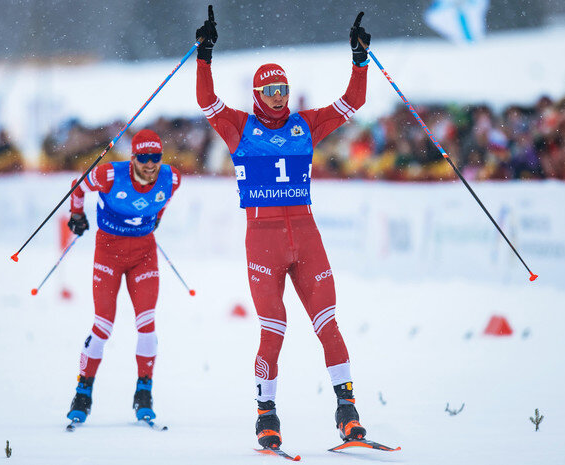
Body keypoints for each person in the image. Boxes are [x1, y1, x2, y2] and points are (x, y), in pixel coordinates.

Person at [194, 7, 371, 449]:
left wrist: (360, 60)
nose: (279, 95)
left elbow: (353, 102)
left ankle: (347, 411)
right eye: (271, 89)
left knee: (328, 322)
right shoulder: (240, 126)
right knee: (274, 329)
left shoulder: (304, 125)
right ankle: (266, 416)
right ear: (257, 93)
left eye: (284, 88)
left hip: (307, 238)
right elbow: (205, 101)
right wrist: (205, 55)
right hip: (264, 243)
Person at [64, 128, 181, 425]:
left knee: (147, 323)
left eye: (156, 157)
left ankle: (144, 392)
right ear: (133, 158)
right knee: (103, 325)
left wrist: (155, 221)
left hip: (144, 255)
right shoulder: (109, 175)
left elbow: (163, 202)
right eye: (144, 157)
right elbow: (78, 186)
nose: (150, 163)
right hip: (109, 253)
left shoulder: (172, 178)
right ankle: (83, 391)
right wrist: (76, 215)